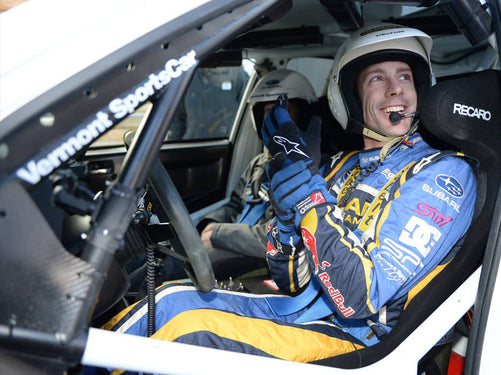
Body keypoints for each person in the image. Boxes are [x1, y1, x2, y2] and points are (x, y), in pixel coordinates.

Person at [103, 23, 477, 363]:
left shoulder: (445, 175)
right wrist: (284, 227)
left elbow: (360, 298)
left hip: (357, 337)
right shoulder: (339, 166)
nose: (395, 89)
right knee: (169, 300)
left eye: (405, 76)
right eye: (377, 78)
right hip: (303, 308)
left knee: (179, 327)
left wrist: (311, 201)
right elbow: (294, 280)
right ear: (349, 97)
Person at [196, 69, 319, 268]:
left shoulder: (312, 171)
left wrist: (220, 234)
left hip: (267, 257)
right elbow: (235, 204)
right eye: (268, 112)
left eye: (286, 112)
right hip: (235, 241)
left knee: (191, 261)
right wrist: (209, 224)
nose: (276, 120)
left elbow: (289, 232)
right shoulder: (259, 163)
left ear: (304, 116)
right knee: (164, 252)